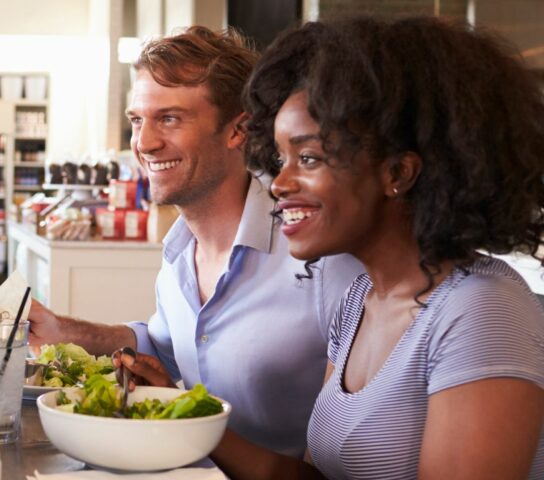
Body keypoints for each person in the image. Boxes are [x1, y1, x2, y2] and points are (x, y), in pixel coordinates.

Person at [140, 16, 544, 478]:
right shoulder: (361, 300)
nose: (280, 184)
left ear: (398, 173)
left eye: (308, 158)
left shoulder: (481, 310)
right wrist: (184, 416)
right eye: (280, 159)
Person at [26, 26, 363, 457]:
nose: (143, 143)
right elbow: (165, 348)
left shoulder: (320, 255)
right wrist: (64, 331)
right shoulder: (180, 253)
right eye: (137, 120)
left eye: (169, 118)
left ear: (238, 130)